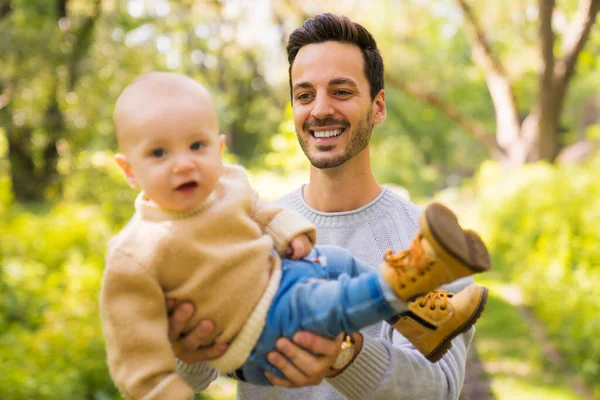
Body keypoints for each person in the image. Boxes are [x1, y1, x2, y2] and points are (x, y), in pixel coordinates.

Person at [101, 71, 490, 400]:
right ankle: (401, 284)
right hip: (256, 332)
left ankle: (420, 314)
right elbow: (141, 352)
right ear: (129, 169)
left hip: (281, 282)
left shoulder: (413, 228)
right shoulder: (139, 249)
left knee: (334, 260)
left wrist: (345, 355)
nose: (183, 163)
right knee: (325, 299)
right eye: (305, 94)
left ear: (379, 106)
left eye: (341, 91)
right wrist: (182, 354)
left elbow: (438, 391)